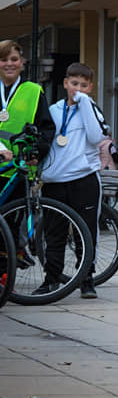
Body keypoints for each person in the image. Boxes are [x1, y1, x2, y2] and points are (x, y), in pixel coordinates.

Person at [37, 63, 107, 299]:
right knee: (54, 233)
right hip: (55, 181)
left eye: (84, 86)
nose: (78, 89)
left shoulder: (92, 108)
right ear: (65, 83)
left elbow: (97, 137)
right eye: (74, 84)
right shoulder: (54, 110)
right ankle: (51, 278)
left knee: (86, 231)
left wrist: (86, 103)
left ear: (90, 87)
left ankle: (86, 277)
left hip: (84, 178)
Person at [0, 40, 55, 196]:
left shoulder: (34, 91)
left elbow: (46, 128)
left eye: (14, 59)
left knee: (14, 219)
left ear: (22, 62)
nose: (9, 64)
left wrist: (36, 153)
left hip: (19, 169)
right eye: (4, 60)